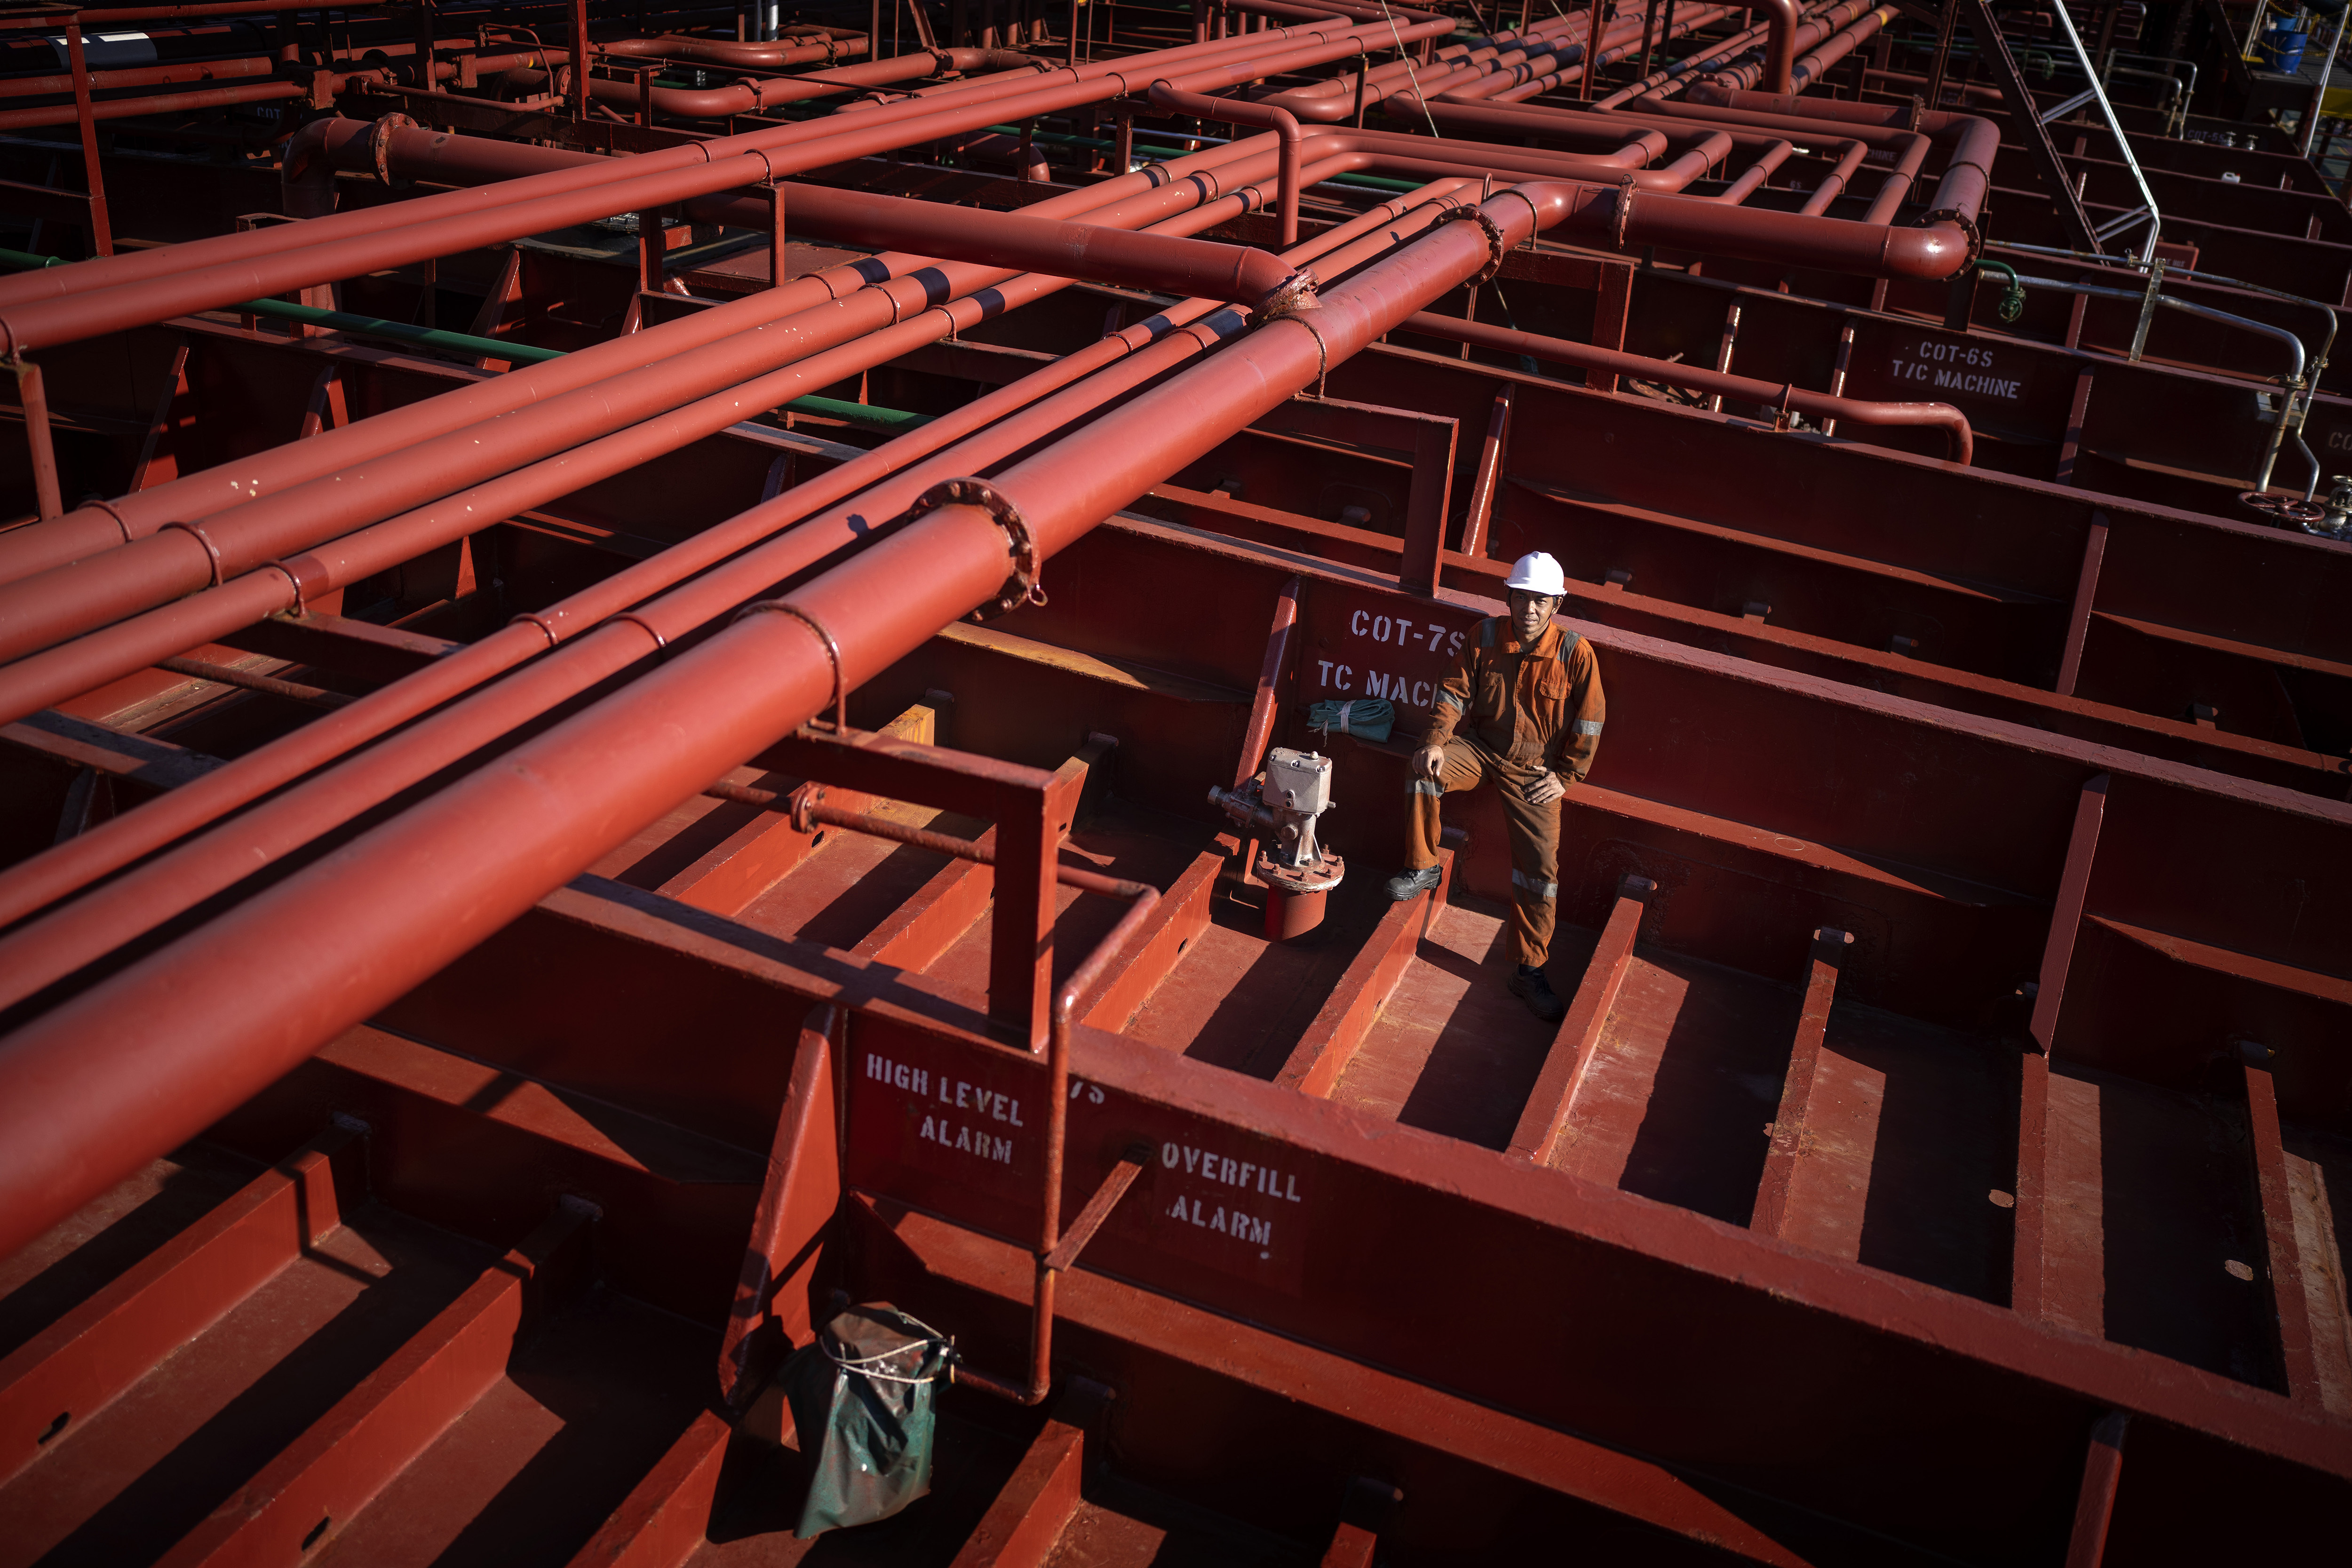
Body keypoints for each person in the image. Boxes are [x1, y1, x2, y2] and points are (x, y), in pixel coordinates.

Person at [1383, 551, 1605, 1023]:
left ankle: (1528, 970)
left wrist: (1565, 777)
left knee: (1539, 871)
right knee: (1422, 771)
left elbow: (1589, 721)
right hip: (1481, 749)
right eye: (1522, 599)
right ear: (1509, 598)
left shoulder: (1575, 654)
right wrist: (1436, 743)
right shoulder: (1482, 637)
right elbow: (1451, 693)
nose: (1529, 610)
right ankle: (1422, 866)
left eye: (1540, 602)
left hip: (1534, 769)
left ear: (1555, 606)